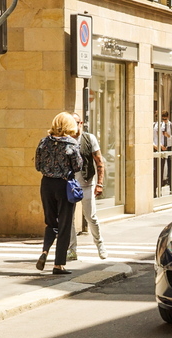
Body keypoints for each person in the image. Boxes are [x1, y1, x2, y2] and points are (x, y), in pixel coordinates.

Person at [34, 112, 83, 274]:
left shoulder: (44, 142)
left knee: (51, 223)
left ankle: (44, 251)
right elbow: (77, 166)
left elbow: (38, 166)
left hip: (46, 184)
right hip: (64, 186)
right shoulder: (71, 143)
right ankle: (58, 265)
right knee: (64, 225)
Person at [67, 113, 108, 261]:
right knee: (69, 218)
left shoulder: (89, 138)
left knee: (91, 217)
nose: (73, 126)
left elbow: (99, 162)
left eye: (76, 122)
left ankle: (100, 244)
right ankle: (72, 249)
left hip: (86, 183)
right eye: (70, 123)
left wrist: (99, 184)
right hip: (70, 185)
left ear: (81, 123)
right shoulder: (66, 139)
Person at [156, 110, 172, 186]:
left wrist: (168, 135)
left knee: (170, 168)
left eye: (165, 119)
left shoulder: (170, 125)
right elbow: (156, 137)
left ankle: (171, 187)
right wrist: (160, 145)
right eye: (163, 119)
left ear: (168, 117)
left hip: (169, 147)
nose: (164, 121)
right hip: (162, 147)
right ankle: (160, 185)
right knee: (160, 167)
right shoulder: (159, 125)